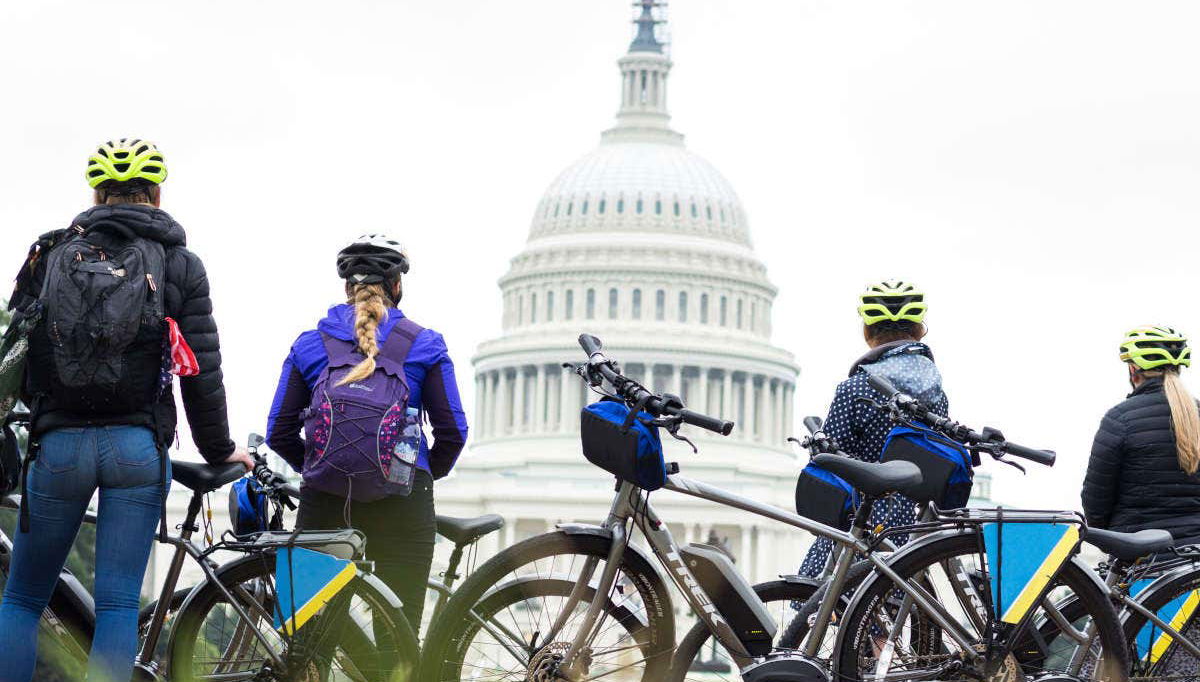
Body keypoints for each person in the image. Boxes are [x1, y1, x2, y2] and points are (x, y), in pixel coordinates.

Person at [0, 138, 250, 682]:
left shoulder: (51, 255)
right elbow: (202, 372)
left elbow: (18, 352)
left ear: (97, 193)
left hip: (59, 444)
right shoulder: (183, 264)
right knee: (116, 606)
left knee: (21, 598)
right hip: (136, 447)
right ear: (155, 196)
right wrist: (219, 449)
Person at [265, 234, 468, 630]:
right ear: (397, 286)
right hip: (403, 503)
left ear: (346, 288)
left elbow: (279, 430)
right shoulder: (426, 344)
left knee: (307, 631)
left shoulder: (310, 344)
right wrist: (419, 471)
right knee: (398, 636)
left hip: (325, 500)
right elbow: (453, 431)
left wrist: (319, 464)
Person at [798, 280, 949, 577]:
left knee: (815, 600)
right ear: (919, 331)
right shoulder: (936, 393)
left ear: (868, 333)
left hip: (862, 523)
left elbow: (830, 464)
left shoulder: (854, 389)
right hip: (914, 530)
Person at [1082, 326, 1200, 544]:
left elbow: (1095, 503)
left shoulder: (1119, 418)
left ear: (1133, 368)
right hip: (1194, 558)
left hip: (1141, 555)